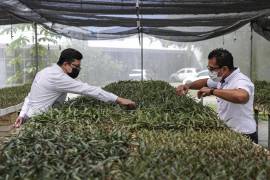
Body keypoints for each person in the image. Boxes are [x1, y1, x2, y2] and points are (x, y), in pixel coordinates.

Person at [14, 48, 136, 128]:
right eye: (76, 66)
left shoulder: (45, 72)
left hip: (29, 117)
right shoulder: (58, 77)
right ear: (65, 64)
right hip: (38, 122)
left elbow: (30, 96)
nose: (77, 69)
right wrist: (119, 99)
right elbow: (88, 90)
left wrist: (23, 114)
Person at [176, 48, 257, 143]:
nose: (210, 72)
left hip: (244, 134)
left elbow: (242, 96)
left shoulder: (241, 80)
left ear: (224, 69)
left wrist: (212, 91)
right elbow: (205, 82)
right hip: (229, 131)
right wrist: (187, 86)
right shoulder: (222, 78)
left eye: (212, 69)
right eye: (208, 68)